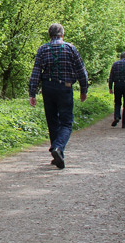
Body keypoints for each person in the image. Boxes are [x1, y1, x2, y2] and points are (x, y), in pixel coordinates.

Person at [28, 23, 89, 169]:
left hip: (48, 88)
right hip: (65, 87)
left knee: (52, 121)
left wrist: (33, 92)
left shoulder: (43, 49)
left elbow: (36, 72)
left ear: (49, 35)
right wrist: (83, 89)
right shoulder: (70, 48)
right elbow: (81, 70)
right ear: (62, 34)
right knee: (66, 122)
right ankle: (58, 148)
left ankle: (57, 155)